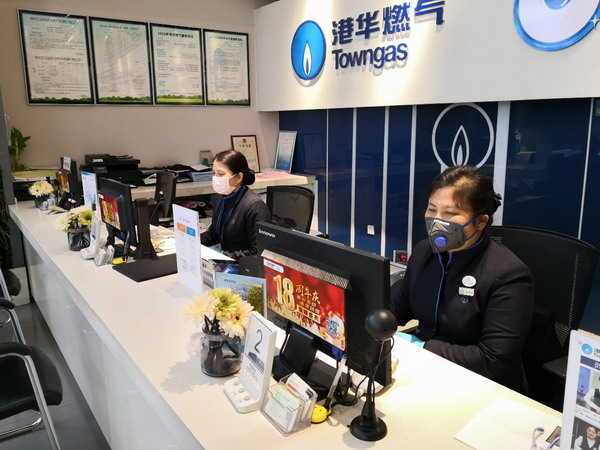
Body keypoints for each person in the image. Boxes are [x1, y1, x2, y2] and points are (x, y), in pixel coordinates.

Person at [392, 165, 534, 393]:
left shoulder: (509, 274)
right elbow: (401, 306)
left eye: (449, 213)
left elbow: (493, 359)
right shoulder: (424, 251)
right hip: (425, 369)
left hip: (482, 386)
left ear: (481, 222)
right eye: (432, 209)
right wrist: (370, 320)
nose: (437, 220)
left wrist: (423, 346)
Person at [201, 149, 271, 260]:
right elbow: (214, 234)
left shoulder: (254, 206)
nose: (216, 178)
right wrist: (192, 240)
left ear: (238, 177)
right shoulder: (220, 197)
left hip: (244, 264)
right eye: (214, 173)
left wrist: (222, 255)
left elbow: (257, 251)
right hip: (225, 260)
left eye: (221, 174)